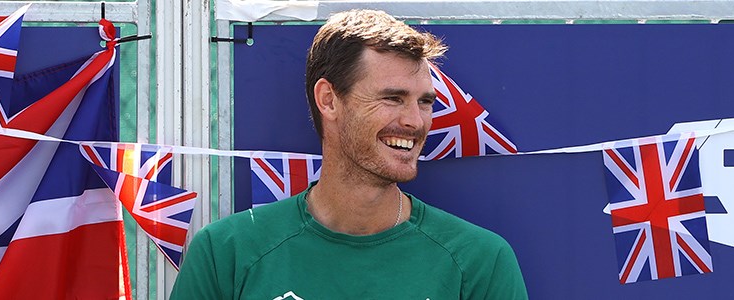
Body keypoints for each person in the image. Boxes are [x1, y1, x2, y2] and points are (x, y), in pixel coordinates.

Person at [171, 9, 528, 299]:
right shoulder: (226, 253)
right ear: (329, 99)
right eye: (392, 98)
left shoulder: (480, 261)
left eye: (424, 102)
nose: (415, 121)